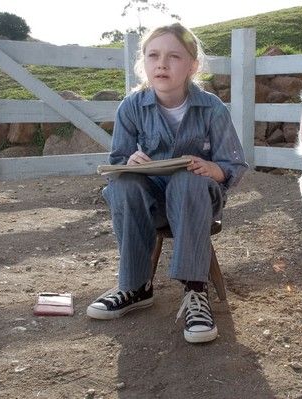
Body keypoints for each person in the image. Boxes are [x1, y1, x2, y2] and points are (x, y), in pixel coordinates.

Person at [86, 23, 248, 344]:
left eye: (174, 56)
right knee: (124, 184)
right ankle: (135, 286)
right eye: (153, 55)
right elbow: (116, 162)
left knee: (187, 180)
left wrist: (212, 168)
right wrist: (129, 163)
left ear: (192, 65)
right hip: (151, 206)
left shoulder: (211, 108)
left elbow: (234, 164)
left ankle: (195, 292)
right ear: (143, 63)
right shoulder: (131, 107)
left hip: (198, 200)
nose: (162, 63)